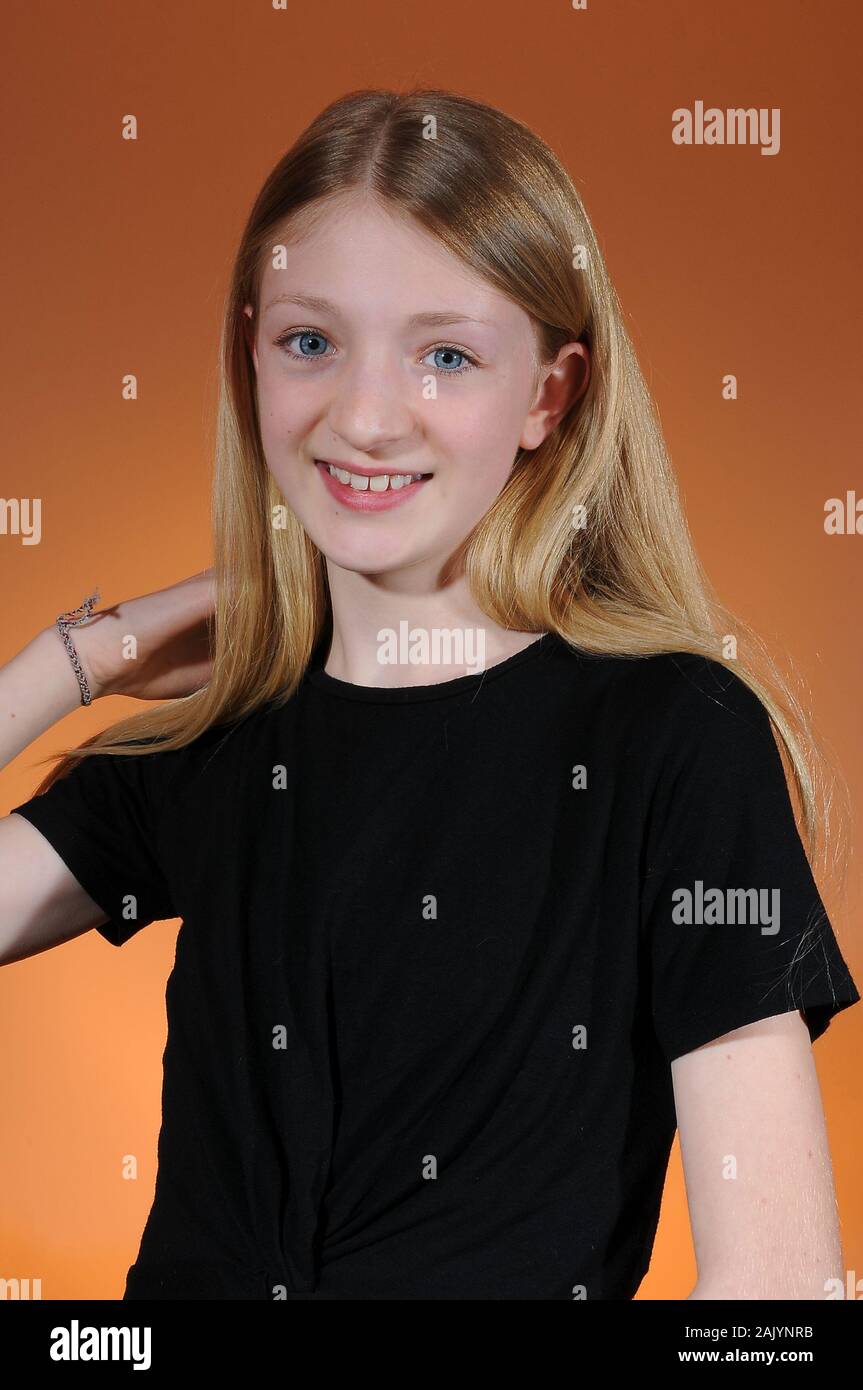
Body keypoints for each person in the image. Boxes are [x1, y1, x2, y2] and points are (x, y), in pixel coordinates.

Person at [1, 87, 858, 1302]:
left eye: (444, 354)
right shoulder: (220, 745)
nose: (361, 415)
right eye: (310, 342)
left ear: (547, 398)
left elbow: (772, 1301)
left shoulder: (672, 742)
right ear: (250, 352)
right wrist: (80, 658)